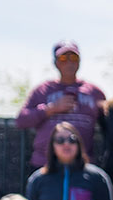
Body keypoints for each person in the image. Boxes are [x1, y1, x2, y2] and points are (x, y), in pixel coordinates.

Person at [14, 40, 107, 169]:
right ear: (56, 63)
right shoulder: (43, 90)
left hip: (82, 166)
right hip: (45, 165)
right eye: (63, 58)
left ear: (79, 61)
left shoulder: (94, 92)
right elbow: (21, 120)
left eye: (73, 57)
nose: (69, 62)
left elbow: (109, 123)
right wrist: (50, 109)